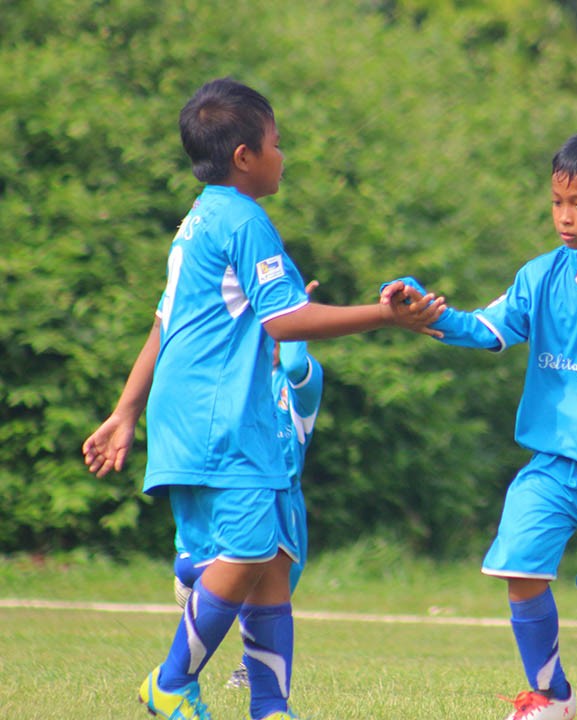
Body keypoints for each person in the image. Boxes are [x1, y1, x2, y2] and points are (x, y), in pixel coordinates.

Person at [82, 77, 443, 720]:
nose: (285, 155)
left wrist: (126, 410)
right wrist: (384, 317)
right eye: (278, 143)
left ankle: (270, 708)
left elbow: (166, 325)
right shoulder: (244, 219)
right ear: (245, 155)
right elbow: (286, 321)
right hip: (218, 418)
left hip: (187, 412)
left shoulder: (197, 219)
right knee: (247, 552)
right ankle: (170, 682)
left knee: (271, 560)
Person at [381, 131, 577, 720]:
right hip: (552, 462)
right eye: (557, 202)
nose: (564, 216)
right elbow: (486, 328)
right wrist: (428, 312)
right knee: (518, 568)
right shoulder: (540, 275)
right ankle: (553, 697)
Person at [173, 281, 325, 692]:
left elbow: (295, 366)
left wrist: (298, 315)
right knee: (195, 572)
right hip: (233, 493)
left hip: (281, 507)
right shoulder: (234, 379)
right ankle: (184, 655)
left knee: (271, 600)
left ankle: (252, 673)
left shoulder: (299, 387)